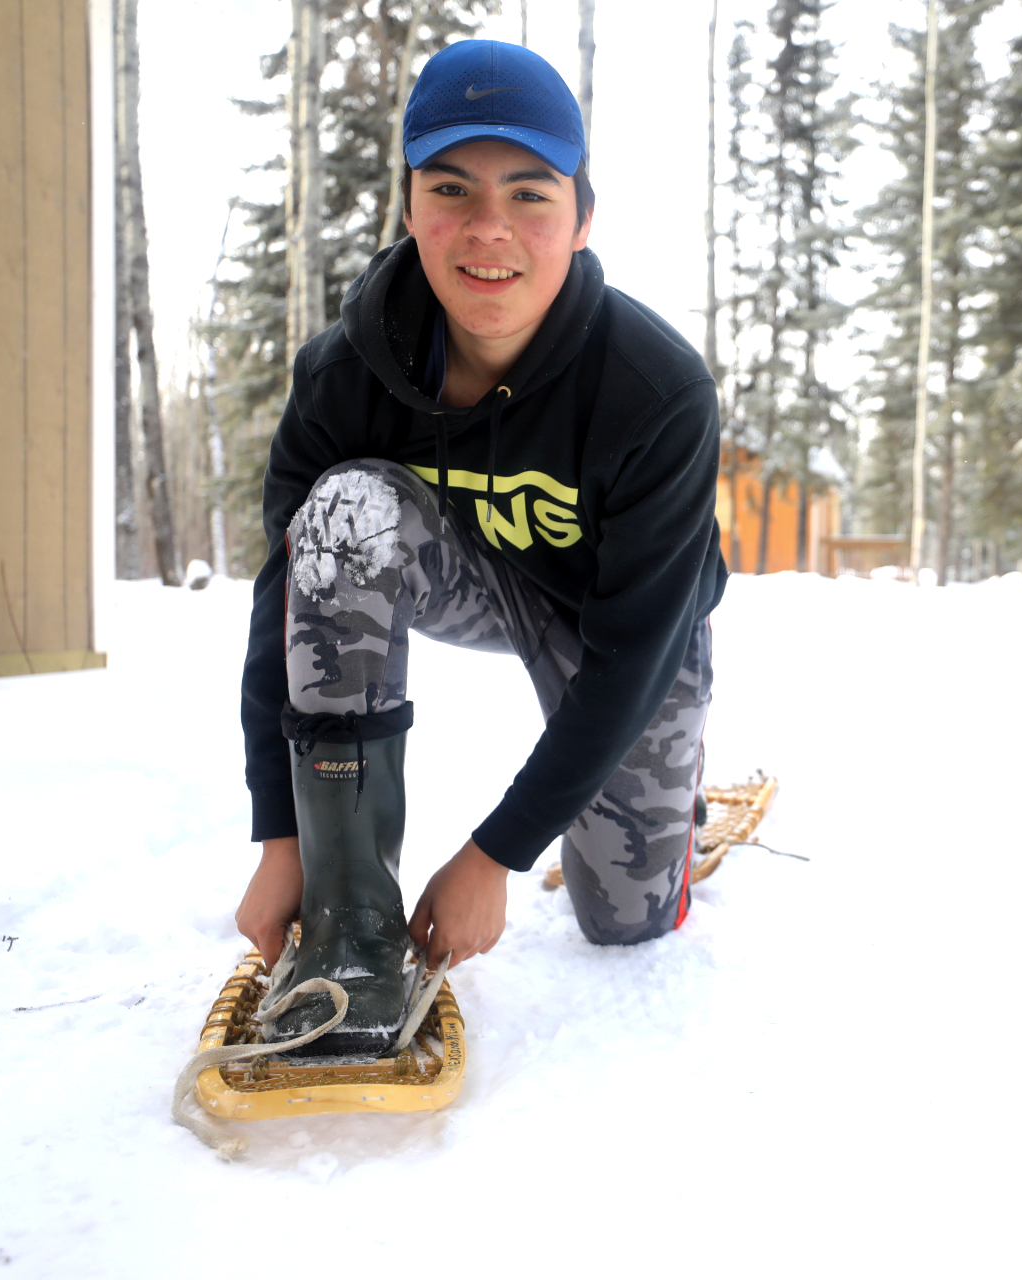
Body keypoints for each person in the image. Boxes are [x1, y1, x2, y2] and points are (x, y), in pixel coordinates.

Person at [232, 39, 725, 1056]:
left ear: (583, 220)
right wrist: (282, 832)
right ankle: (351, 922)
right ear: (410, 206)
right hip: (464, 579)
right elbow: (283, 600)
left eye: (530, 193)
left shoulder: (657, 391)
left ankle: (668, 808)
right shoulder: (343, 376)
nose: (488, 228)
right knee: (343, 514)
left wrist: (496, 851)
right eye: (452, 187)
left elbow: (635, 652)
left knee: (622, 921)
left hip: (616, 632)